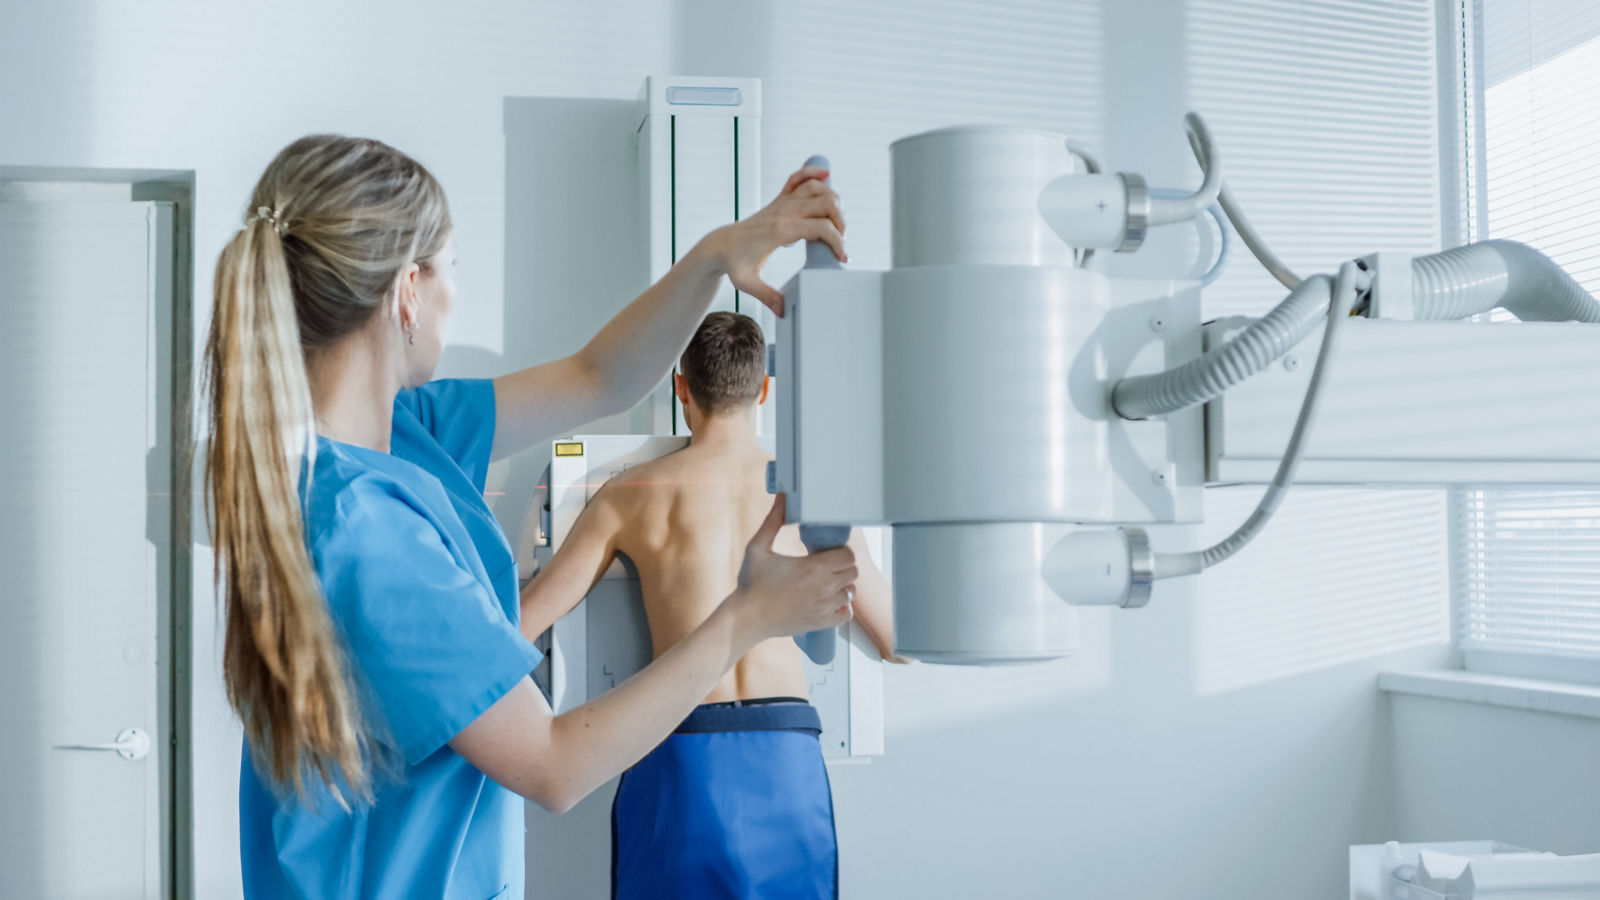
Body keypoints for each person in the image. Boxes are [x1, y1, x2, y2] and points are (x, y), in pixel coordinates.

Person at [206, 134, 857, 900]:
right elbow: (551, 764)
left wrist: (719, 254)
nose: (455, 291)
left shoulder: (409, 429)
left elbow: (600, 376)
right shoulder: (362, 529)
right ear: (407, 291)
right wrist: (747, 617)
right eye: (452, 269)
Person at [519, 311, 904, 900]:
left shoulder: (629, 496)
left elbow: (523, 625)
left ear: (682, 387)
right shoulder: (814, 494)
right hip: (785, 750)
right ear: (764, 390)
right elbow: (898, 645)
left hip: (673, 740)